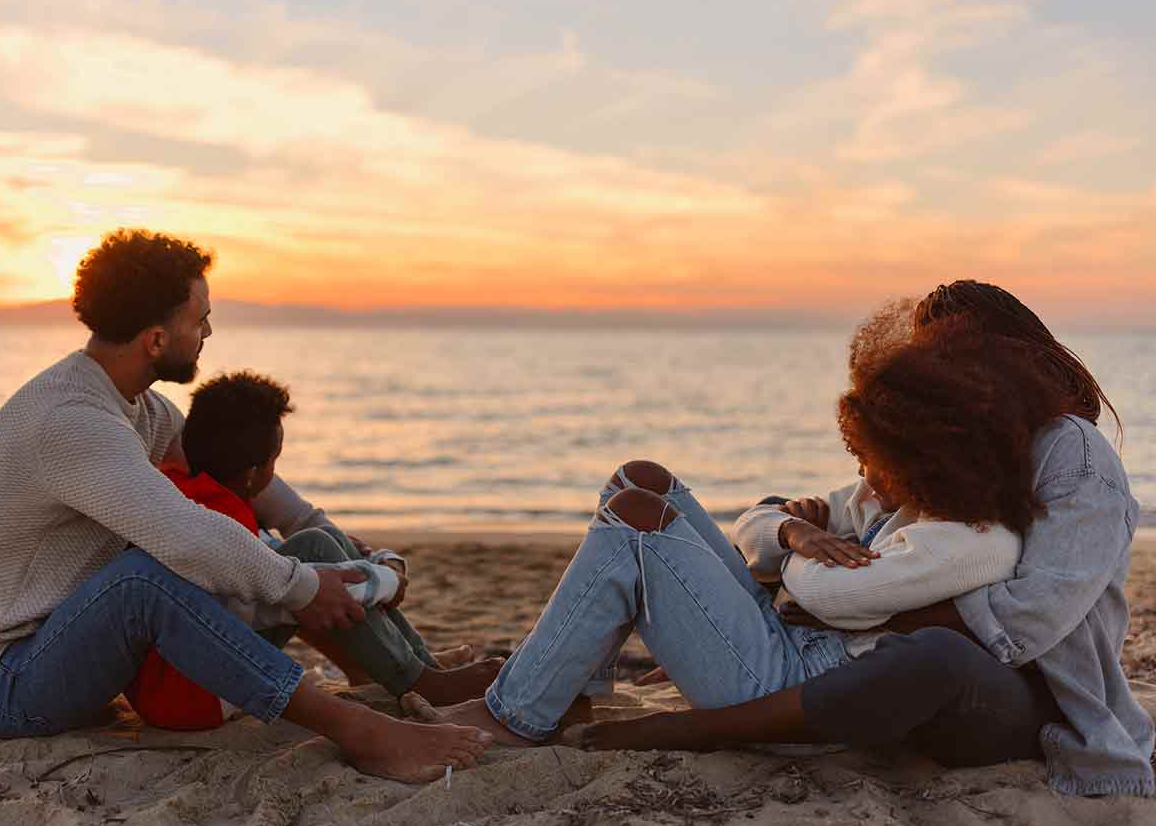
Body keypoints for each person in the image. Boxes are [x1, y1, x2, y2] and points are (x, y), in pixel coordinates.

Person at [563, 283, 1155, 799]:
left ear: (1007, 355)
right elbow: (826, 511)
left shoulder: (1071, 453)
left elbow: (1027, 625)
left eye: (955, 355)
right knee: (647, 495)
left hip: (1036, 697)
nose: (942, 370)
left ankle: (709, 728)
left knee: (931, 655)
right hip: (904, 664)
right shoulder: (969, 434)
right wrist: (793, 532)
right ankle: (576, 684)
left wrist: (851, 612)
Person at [0, 229, 490, 782]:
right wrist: (303, 587)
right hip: (7, 684)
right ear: (157, 340)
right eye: (200, 319)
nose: (209, 330)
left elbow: (239, 477)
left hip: (79, 651)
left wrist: (325, 538)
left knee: (304, 549)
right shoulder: (72, 421)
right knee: (145, 582)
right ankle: (359, 730)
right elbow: (186, 533)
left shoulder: (141, 409)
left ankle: (420, 678)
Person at [417, 311, 1071, 757]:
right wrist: (790, 532)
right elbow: (754, 525)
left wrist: (796, 554)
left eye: (873, 460)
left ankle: (517, 718)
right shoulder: (900, 501)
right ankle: (571, 698)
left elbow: (832, 599)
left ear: (922, 458)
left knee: (638, 524)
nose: (862, 478)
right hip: (789, 636)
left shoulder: (970, 539)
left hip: (793, 685)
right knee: (639, 480)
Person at [126, 369, 501, 729]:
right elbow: (307, 586)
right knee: (316, 550)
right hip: (199, 695)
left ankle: (422, 666)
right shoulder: (228, 524)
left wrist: (359, 559)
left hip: (168, 685)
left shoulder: (180, 489)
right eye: (275, 461)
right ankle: (417, 678)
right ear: (254, 473)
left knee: (320, 546)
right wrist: (388, 572)